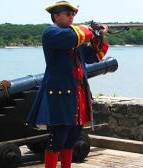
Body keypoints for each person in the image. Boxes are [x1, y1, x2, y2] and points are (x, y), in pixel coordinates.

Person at [27, 1, 109, 168]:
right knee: (56, 139)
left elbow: (93, 56)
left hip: (78, 94)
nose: (71, 17)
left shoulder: (76, 37)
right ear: (56, 16)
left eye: (73, 14)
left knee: (72, 138)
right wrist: (91, 30)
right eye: (68, 14)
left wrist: (99, 35)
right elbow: (72, 37)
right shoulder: (51, 33)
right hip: (59, 95)